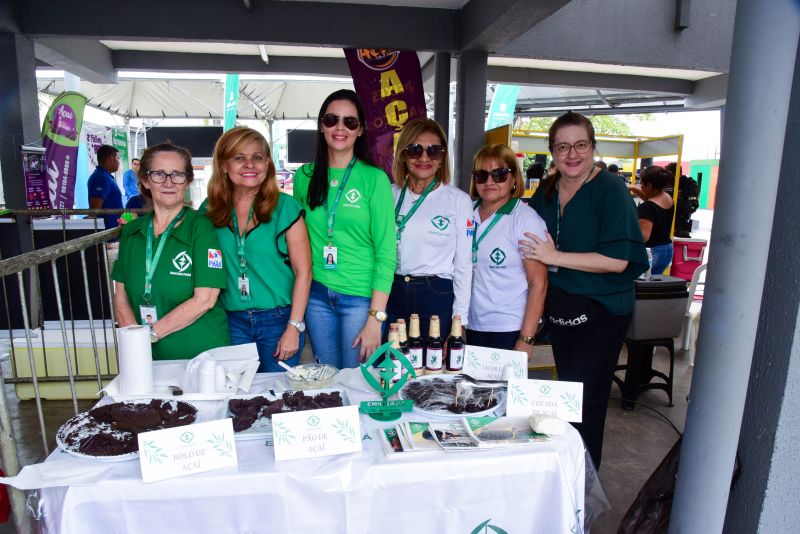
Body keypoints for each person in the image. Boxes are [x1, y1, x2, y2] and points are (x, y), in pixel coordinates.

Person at [522, 111, 648, 468]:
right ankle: (565, 478)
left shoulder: (610, 189)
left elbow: (618, 261)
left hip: (601, 310)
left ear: (593, 147)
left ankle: (583, 492)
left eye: (580, 145)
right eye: (563, 147)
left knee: (583, 402)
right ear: (552, 151)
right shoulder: (546, 191)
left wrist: (555, 255)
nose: (572, 154)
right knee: (566, 397)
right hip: (561, 307)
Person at [293, 89, 396, 369]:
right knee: (327, 379)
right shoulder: (304, 177)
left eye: (350, 122)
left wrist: (376, 318)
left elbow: (387, 252)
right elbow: (296, 242)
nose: (340, 127)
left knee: (357, 380)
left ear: (360, 130)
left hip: (360, 300)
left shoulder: (375, 180)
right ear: (321, 126)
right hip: (316, 296)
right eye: (331, 119)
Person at [203, 127, 312, 372]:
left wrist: (294, 327)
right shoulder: (209, 210)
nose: (249, 164)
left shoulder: (286, 208)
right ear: (223, 166)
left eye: (258, 157)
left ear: (268, 165)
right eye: (239, 157)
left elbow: (304, 272)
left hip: (278, 320)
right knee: (237, 396)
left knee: (278, 398)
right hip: (230, 320)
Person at [112, 143, 231, 360]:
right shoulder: (131, 232)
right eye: (159, 174)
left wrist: (149, 336)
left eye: (177, 174)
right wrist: (135, 345)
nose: (168, 182)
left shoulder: (201, 228)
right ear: (145, 181)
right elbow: (120, 296)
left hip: (202, 360)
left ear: (187, 181)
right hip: (147, 359)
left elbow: (205, 299)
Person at [388, 118, 472, 341]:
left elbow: (464, 265)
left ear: (442, 157)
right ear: (403, 155)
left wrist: (460, 320)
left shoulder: (458, 201)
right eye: (415, 150)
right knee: (390, 368)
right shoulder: (388, 194)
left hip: (436, 293)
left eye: (433, 151)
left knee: (430, 370)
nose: (424, 157)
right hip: (391, 290)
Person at [466, 144, 548, 356]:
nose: (490, 182)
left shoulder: (525, 220)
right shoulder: (466, 212)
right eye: (482, 175)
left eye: (499, 174)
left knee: (502, 390)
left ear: (513, 178)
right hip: (469, 324)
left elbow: (538, 283)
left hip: (508, 328)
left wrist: (526, 339)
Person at [628, 166, 675, 275]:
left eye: (642, 184)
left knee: (643, 285)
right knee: (653, 284)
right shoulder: (667, 197)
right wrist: (633, 188)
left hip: (652, 252)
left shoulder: (647, 207)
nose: (640, 186)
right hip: (667, 249)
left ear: (649, 185)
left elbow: (643, 236)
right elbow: (650, 199)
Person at [88, 144, 124, 229]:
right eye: (117, 158)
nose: (118, 162)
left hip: (115, 227)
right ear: (111, 158)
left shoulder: (106, 177)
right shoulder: (102, 178)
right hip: (108, 231)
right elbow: (94, 210)